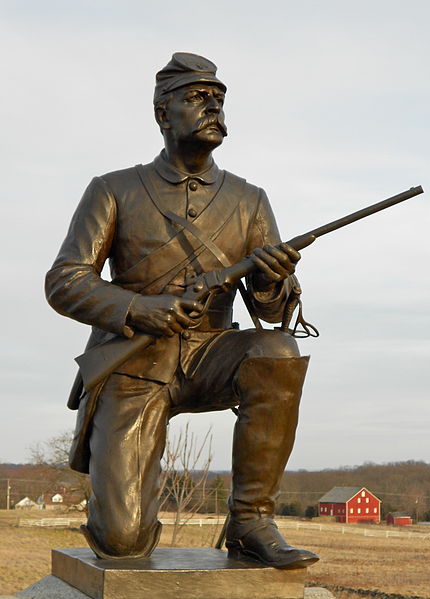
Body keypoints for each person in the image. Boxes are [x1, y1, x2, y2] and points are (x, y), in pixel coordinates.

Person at [45, 52, 319, 569]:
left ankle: (251, 519)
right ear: (162, 113)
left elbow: (277, 311)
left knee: (279, 350)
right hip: (132, 361)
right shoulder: (114, 189)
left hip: (211, 353)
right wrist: (138, 308)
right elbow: (65, 281)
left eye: (217, 99)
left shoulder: (250, 200)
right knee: (121, 543)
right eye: (196, 98)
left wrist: (271, 280)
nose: (212, 107)